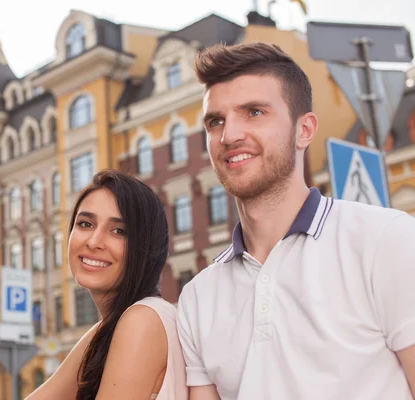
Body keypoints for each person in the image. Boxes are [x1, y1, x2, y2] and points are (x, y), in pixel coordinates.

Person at [176, 42, 415, 400]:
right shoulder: (198, 297)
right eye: (216, 121)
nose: (229, 135)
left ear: (304, 130)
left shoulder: (386, 240)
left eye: (254, 112)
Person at [27, 169, 188, 400]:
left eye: (118, 231)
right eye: (85, 224)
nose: (94, 242)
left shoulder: (142, 319)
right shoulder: (109, 328)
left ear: (146, 246)